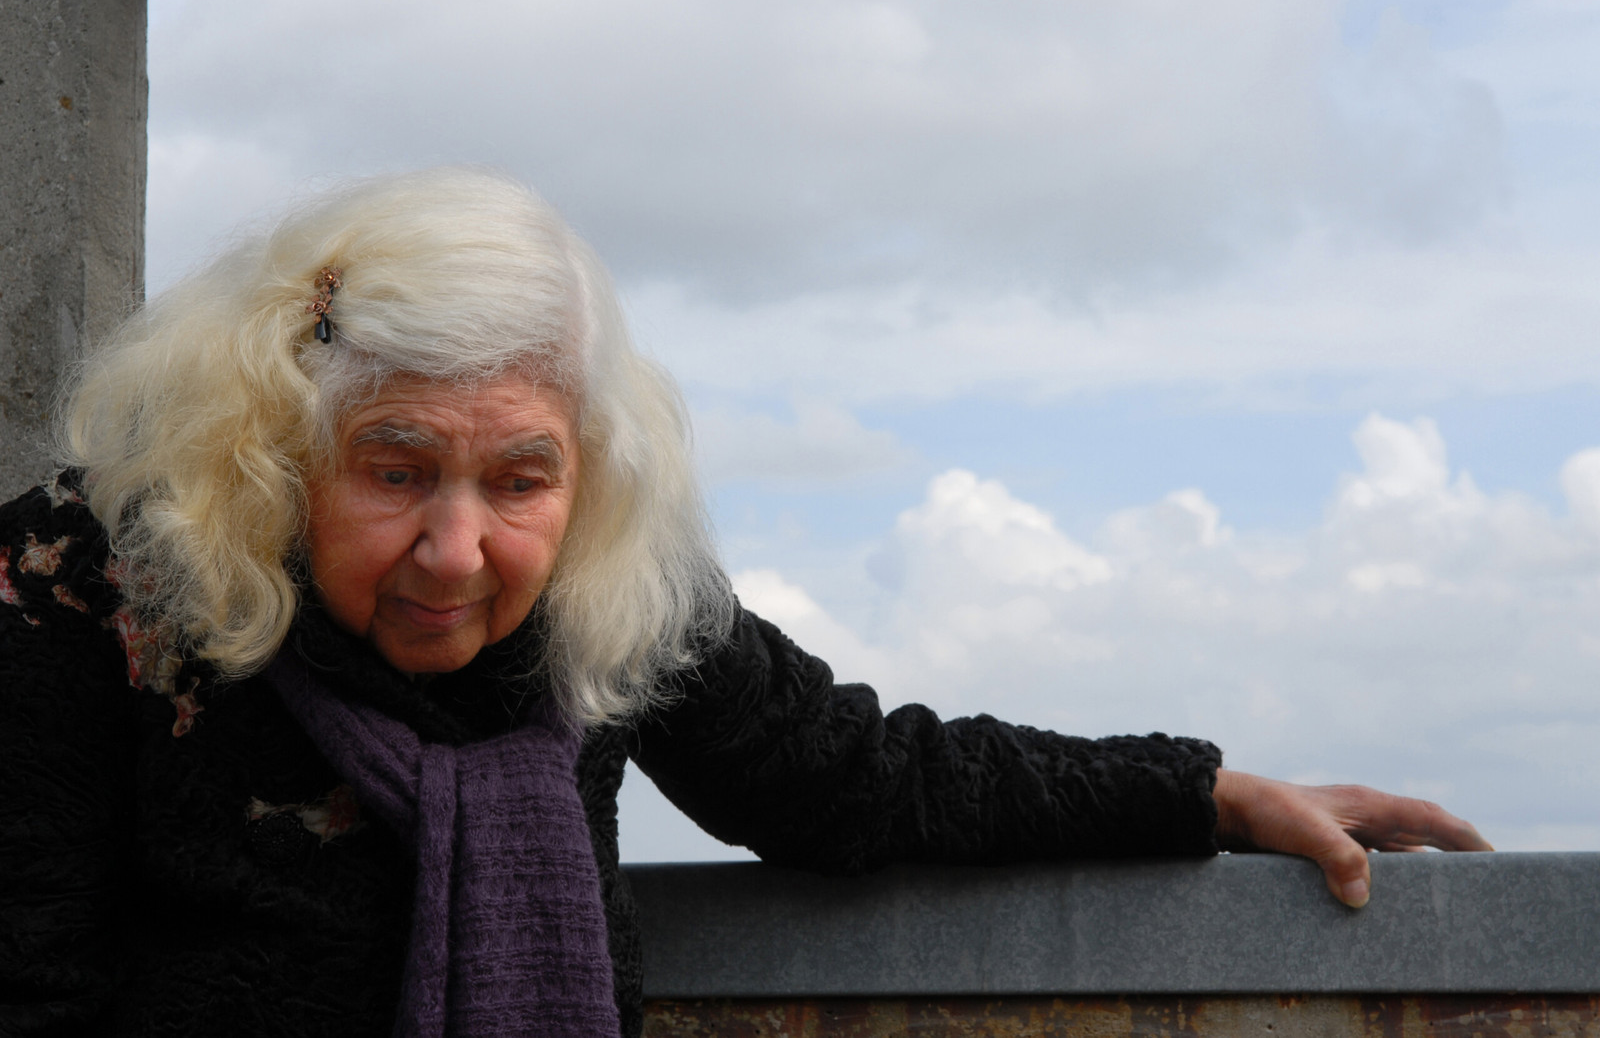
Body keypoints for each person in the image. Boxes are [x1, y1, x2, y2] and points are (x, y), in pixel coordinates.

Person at [0, 168, 1488, 1038]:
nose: (457, 551)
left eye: (520, 479)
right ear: (274, 441)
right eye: (395, 470)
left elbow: (858, 776)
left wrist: (1207, 794)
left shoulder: (609, 581)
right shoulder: (93, 583)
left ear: (585, 468)